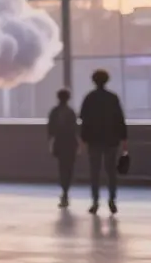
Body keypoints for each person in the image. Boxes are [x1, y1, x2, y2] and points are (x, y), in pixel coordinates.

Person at [79, 69, 128, 215]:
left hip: (94, 141)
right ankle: (112, 201)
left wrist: (83, 139)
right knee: (111, 171)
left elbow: (84, 120)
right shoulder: (113, 98)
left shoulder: (89, 97)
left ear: (93, 81)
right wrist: (124, 139)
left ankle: (95, 202)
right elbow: (120, 120)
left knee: (95, 171)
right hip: (111, 140)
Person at [47, 88, 80, 209]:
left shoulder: (54, 112)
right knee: (69, 167)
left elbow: (50, 130)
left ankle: (64, 191)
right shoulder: (71, 112)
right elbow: (75, 130)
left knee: (62, 167)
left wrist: (51, 143)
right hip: (70, 143)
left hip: (59, 143)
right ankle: (66, 190)